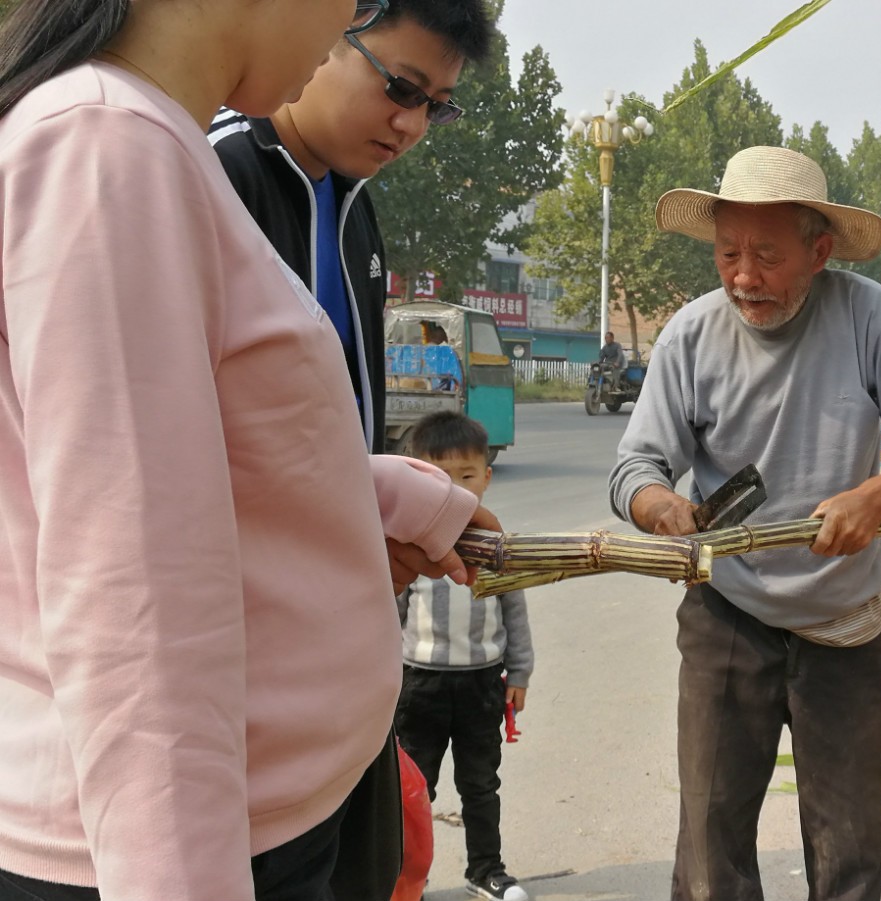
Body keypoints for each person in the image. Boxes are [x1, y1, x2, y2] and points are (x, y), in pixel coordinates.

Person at [0, 1, 497, 899]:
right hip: (194, 838)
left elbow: (209, 460)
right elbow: (130, 593)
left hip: (262, 808)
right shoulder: (109, 147)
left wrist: (389, 498)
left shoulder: (149, 142)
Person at [610, 146, 881, 901]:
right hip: (727, 615)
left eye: (767, 256)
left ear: (819, 252)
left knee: (849, 850)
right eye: (728, 253)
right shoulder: (690, 335)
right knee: (710, 852)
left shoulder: (867, 316)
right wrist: (662, 507)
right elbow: (635, 468)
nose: (743, 276)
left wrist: (876, 496)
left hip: (842, 624)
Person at [210, 0, 492, 453]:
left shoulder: (354, 205)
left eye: (435, 109)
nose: (411, 126)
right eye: (401, 89)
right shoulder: (214, 170)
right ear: (331, 30)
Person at [396, 413, 532, 901]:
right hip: (419, 685)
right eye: (439, 478)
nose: (454, 490)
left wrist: (519, 673)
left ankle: (486, 870)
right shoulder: (408, 549)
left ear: (487, 477)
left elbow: (515, 613)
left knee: (480, 785)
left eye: (466, 476)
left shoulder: (496, 546)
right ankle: (407, 880)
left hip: (482, 686)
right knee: (414, 789)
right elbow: (390, 617)